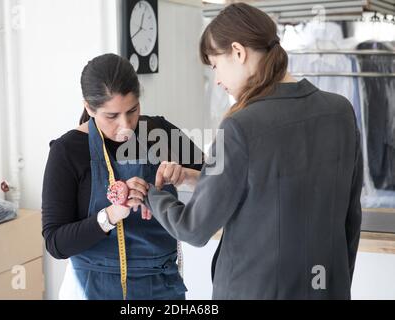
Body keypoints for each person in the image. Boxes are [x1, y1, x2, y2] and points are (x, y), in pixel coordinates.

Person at [144, 3, 363, 299]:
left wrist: (151, 194)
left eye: (214, 65)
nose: (217, 79)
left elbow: (194, 228)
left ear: (238, 51)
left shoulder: (239, 125)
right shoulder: (340, 112)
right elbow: (349, 217)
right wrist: (194, 178)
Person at [41, 53, 203, 300]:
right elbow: (56, 243)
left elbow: (223, 184)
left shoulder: (159, 132)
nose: (126, 124)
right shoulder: (67, 151)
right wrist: (112, 214)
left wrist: (186, 177)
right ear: (89, 107)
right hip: (93, 286)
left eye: (133, 110)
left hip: (162, 285)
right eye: (112, 116)